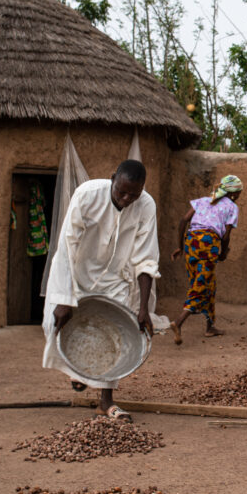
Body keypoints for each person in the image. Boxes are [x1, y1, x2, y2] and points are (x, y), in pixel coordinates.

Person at [42, 159, 169, 419]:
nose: (125, 199)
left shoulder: (146, 205)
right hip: (77, 272)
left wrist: (144, 308)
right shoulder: (87, 195)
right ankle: (78, 372)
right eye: (121, 192)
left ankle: (106, 401)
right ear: (113, 179)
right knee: (58, 323)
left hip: (116, 279)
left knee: (118, 331)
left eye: (133, 194)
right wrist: (66, 297)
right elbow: (67, 246)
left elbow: (146, 259)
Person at [169, 174, 242, 344]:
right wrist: (223, 254)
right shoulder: (232, 207)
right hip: (209, 243)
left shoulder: (203, 201)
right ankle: (178, 322)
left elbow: (183, 221)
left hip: (191, 241)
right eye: (239, 193)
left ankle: (210, 327)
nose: (239, 196)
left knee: (209, 283)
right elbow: (225, 237)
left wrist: (180, 246)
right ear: (234, 193)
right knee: (201, 285)